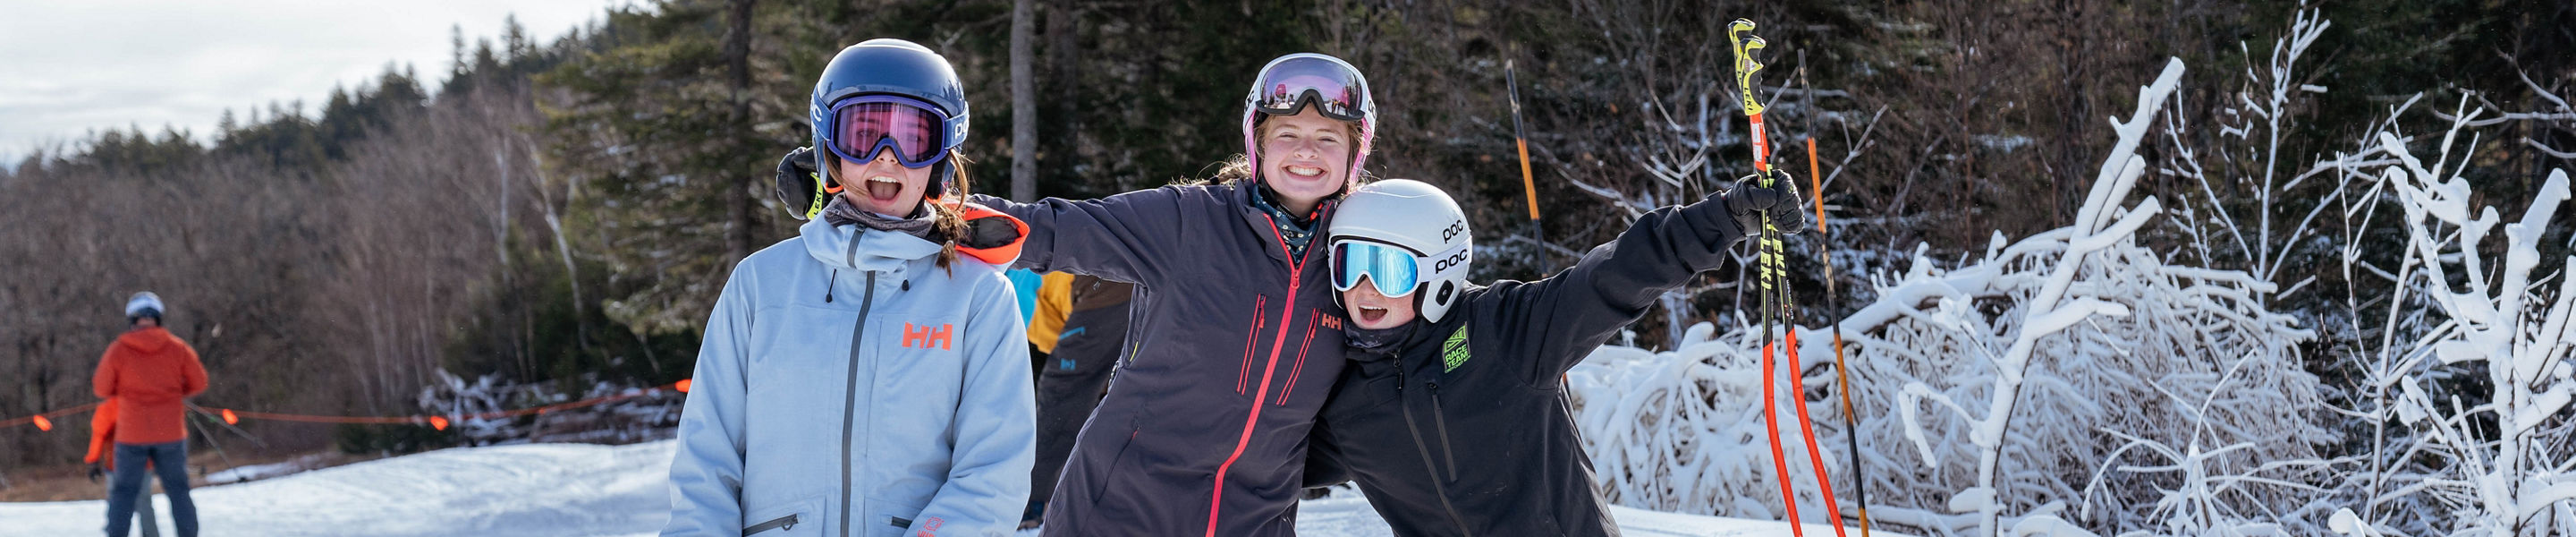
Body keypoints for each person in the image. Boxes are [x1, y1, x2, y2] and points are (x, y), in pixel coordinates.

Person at [959, 53, 1379, 535]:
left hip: (1255, 520)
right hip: (1119, 510)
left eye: (1328, 138)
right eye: (1287, 134)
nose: (1306, 151)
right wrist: (931, 214)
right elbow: (1049, 228)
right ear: (1258, 143)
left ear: (1354, 153)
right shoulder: (1189, 222)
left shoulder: (1362, 256)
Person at [663, 38, 1037, 537]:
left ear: (942, 159)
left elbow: (994, 469)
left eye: (913, 137)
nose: (887, 157)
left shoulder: (977, 298)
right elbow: (707, 459)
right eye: (864, 135)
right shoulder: (761, 284)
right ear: (829, 148)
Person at [1302, 177, 1804, 535]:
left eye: (1388, 268)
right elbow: (1255, 462)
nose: (1364, 287)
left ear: (1439, 272)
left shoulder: (1502, 330)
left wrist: (1723, 217)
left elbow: (1613, 275)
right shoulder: (1343, 399)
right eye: (1349, 263)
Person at [1017, 272, 1135, 527]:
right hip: (1093, 288)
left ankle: (1032, 500)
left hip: (1101, 282)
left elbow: (1063, 387)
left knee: (1062, 391)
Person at [92, 291, 206, 537]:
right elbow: (200, 382)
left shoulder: (119, 350)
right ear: (159, 317)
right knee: (178, 491)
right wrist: (176, 392)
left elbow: (101, 388)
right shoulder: (177, 348)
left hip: (132, 435)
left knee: (123, 493)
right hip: (171, 434)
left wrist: (123, 391)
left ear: (132, 319)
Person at [86, 397, 162, 537]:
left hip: (121, 465)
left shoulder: (110, 406)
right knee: (142, 502)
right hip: (137, 464)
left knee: (118, 502)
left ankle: (116, 531)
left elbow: (99, 435)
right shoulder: (145, 401)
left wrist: (93, 460)